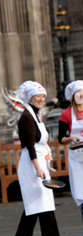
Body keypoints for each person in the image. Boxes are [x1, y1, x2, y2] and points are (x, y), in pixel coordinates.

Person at [12, 81, 71, 236]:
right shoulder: (27, 118)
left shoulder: (34, 115)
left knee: (37, 201)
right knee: (41, 200)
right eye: (38, 96)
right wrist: (38, 167)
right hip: (33, 163)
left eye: (43, 96)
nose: (41, 99)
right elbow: (29, 145)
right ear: (30, 97)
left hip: (37, 161)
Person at [58, 80, 83, 223]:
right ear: (73, 96)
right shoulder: (66, 114)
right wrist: (70, 138)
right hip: (77, 157)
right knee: (82, 193)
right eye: (78, 93)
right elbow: (61, 138)